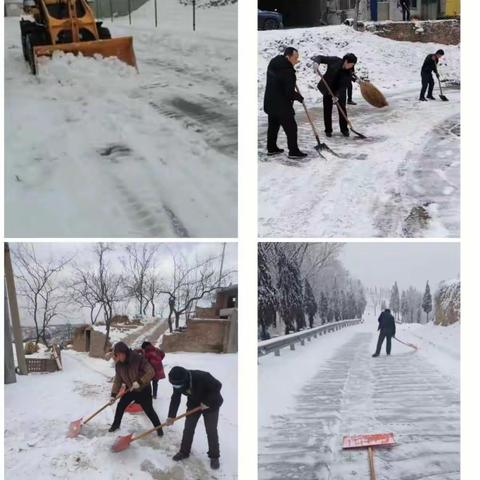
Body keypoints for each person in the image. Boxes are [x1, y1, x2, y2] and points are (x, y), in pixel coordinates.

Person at [165, 366, 223, 470]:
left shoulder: (202, 377)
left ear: (185, 379)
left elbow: (218, 386)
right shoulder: (177, 382)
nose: (176, 387)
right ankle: (184, 452)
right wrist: (171, 416)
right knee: (188, 428)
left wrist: (207, 402)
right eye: (174, 385)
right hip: (194, 403)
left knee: (211, 430)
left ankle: (214, 456)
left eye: (178, 385)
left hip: (211, 404)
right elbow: (175, 398)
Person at [108, 341, 163, 436]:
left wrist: (140, 382)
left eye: (120, 354)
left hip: (143, 389)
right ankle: (115, 425)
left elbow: (151, 372)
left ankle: (159, 429)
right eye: (117, 355)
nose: (118, 357)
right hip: (130, 389)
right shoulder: (119, 365)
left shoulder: (138, 358)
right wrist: (113, 395)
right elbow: (118, 380)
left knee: (149, 411)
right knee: (121, 405)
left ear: (125, 352)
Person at [263, 47, 308, 159]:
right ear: (288, 56)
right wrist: (299, 97)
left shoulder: (274, 62)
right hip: (282, 106)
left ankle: (271, 148)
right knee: (291, 128)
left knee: (273, 126)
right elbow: (289, 92)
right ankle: (293, 151)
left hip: (270, 102)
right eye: (295, 58)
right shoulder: (288, 72)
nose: (297, 60)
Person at [311, 53, 358, 137]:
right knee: (327, 109)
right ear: (346, 61)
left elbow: (344, 85)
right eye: (351, 64)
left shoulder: (348, 72)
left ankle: (344, 129)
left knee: (342, 109)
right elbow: (320, 57)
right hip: (327, 87)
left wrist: (337, 96)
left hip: (340, 90)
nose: (351, 66)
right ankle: (328, 130)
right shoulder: (335, 60)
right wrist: (316, 63)